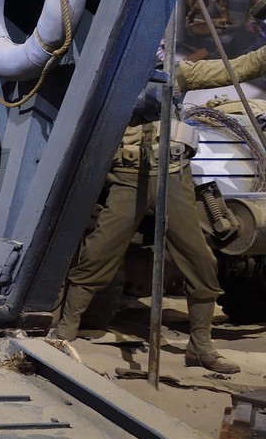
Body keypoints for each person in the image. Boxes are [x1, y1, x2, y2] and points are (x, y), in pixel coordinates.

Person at [52, 36, 266, 372]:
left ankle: (200, 346)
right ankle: (64, 332)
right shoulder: (106, 74)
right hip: (127, 175)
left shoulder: (178, 74)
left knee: (200, 259)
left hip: (174, 174)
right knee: (99, 252)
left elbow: (240, 67)